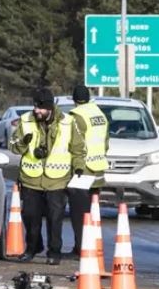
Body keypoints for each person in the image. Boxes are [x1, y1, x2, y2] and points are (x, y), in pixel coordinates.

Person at [9, 88, 85, 265]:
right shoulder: (25, 120)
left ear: (50, 108)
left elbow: (78, 149)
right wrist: (23, 143)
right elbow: (13, 146)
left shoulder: (68, 122)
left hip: (57, 179)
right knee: (30, 216)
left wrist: (79, 167)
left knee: (55, 217)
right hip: (31, 178)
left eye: (41, 108)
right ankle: (32, 248)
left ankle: (54, 252)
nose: (37, 110)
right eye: (35, 106)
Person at [67, 84, 109, 258]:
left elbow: (73, 144)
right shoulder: (99, 114)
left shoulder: (77, 116)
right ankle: (91, 247)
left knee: (79, 214)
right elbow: (105, 142)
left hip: (82, 171)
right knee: (92, 212)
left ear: (74, 99)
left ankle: (80, 248)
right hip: (98, 169)